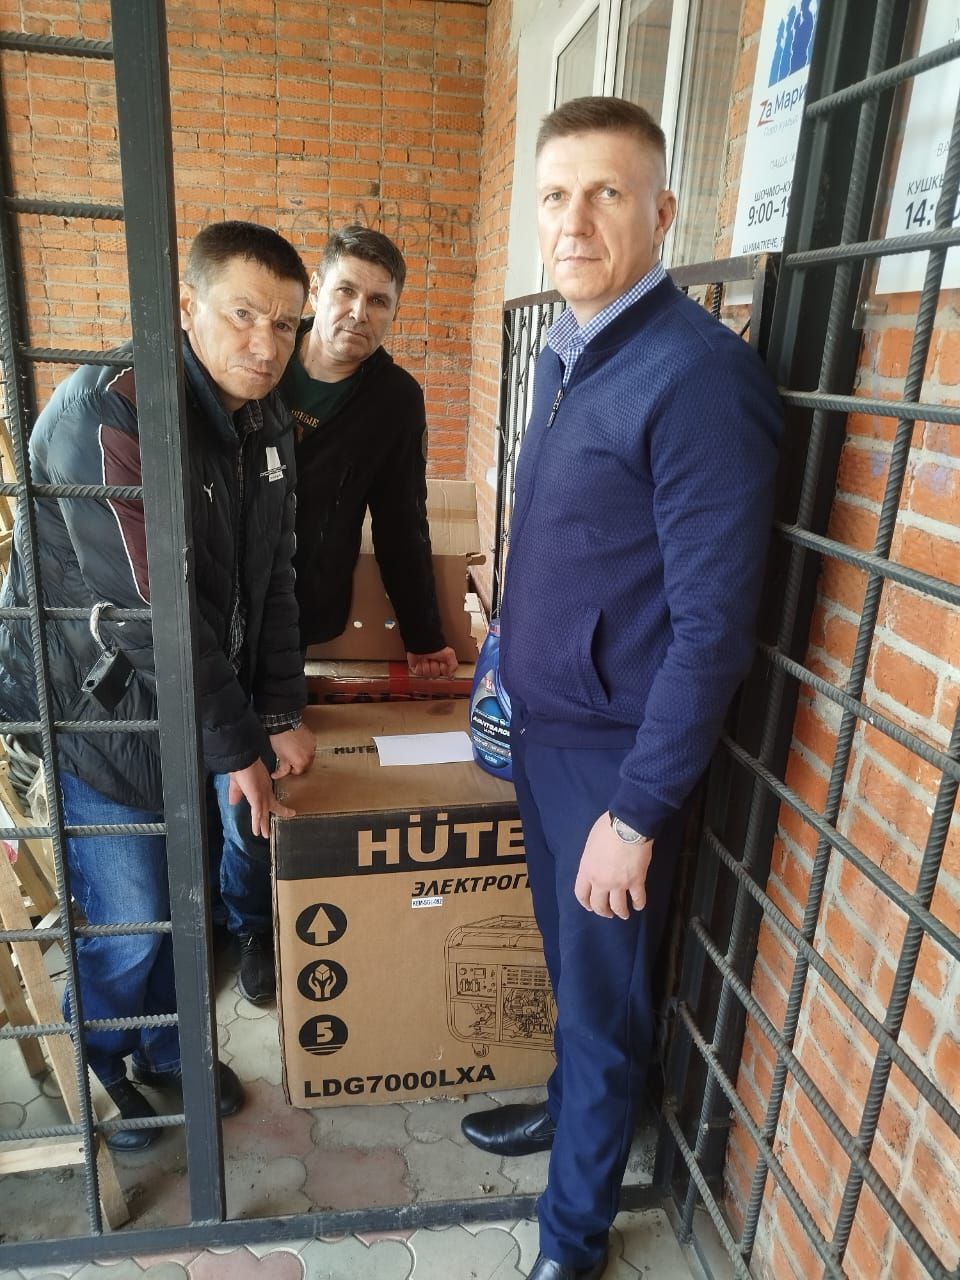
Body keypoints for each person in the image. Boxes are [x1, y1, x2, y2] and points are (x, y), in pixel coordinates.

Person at [460, 98, 783, 1279]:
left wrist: (636, 810)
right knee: (571, 969)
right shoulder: (570, 349)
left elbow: (713, 629)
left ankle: (573, 1236)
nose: (575, 220)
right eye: (556, 195)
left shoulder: (695, 376)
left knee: (602, 1001)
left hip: (612, 758)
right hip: (549, 733)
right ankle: (569, 1114)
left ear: (662, 211)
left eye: (607, 193)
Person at [0, 221, 317, 1148]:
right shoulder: (107, 413)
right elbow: (149, 614)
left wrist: (279, 711)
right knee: (132, 915)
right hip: (95, 713)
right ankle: (98, 1066)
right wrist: (238, 745)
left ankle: (168, 1046)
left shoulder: (264, 418)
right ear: (187, 306)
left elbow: (275, 578)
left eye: (285, 324)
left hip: (191, 699)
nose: (266, 344)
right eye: (244, 314)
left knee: (185, 901)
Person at [278, 224, 457, 678]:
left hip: (298, 607)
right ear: (315, 290)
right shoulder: (265, 357)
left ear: (394, 311)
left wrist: (424, 637)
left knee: (281, 719)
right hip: (218, 593)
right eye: (346, 291)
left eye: (378, 301)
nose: (359, 313)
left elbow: (401, 523)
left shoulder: (394, 400)